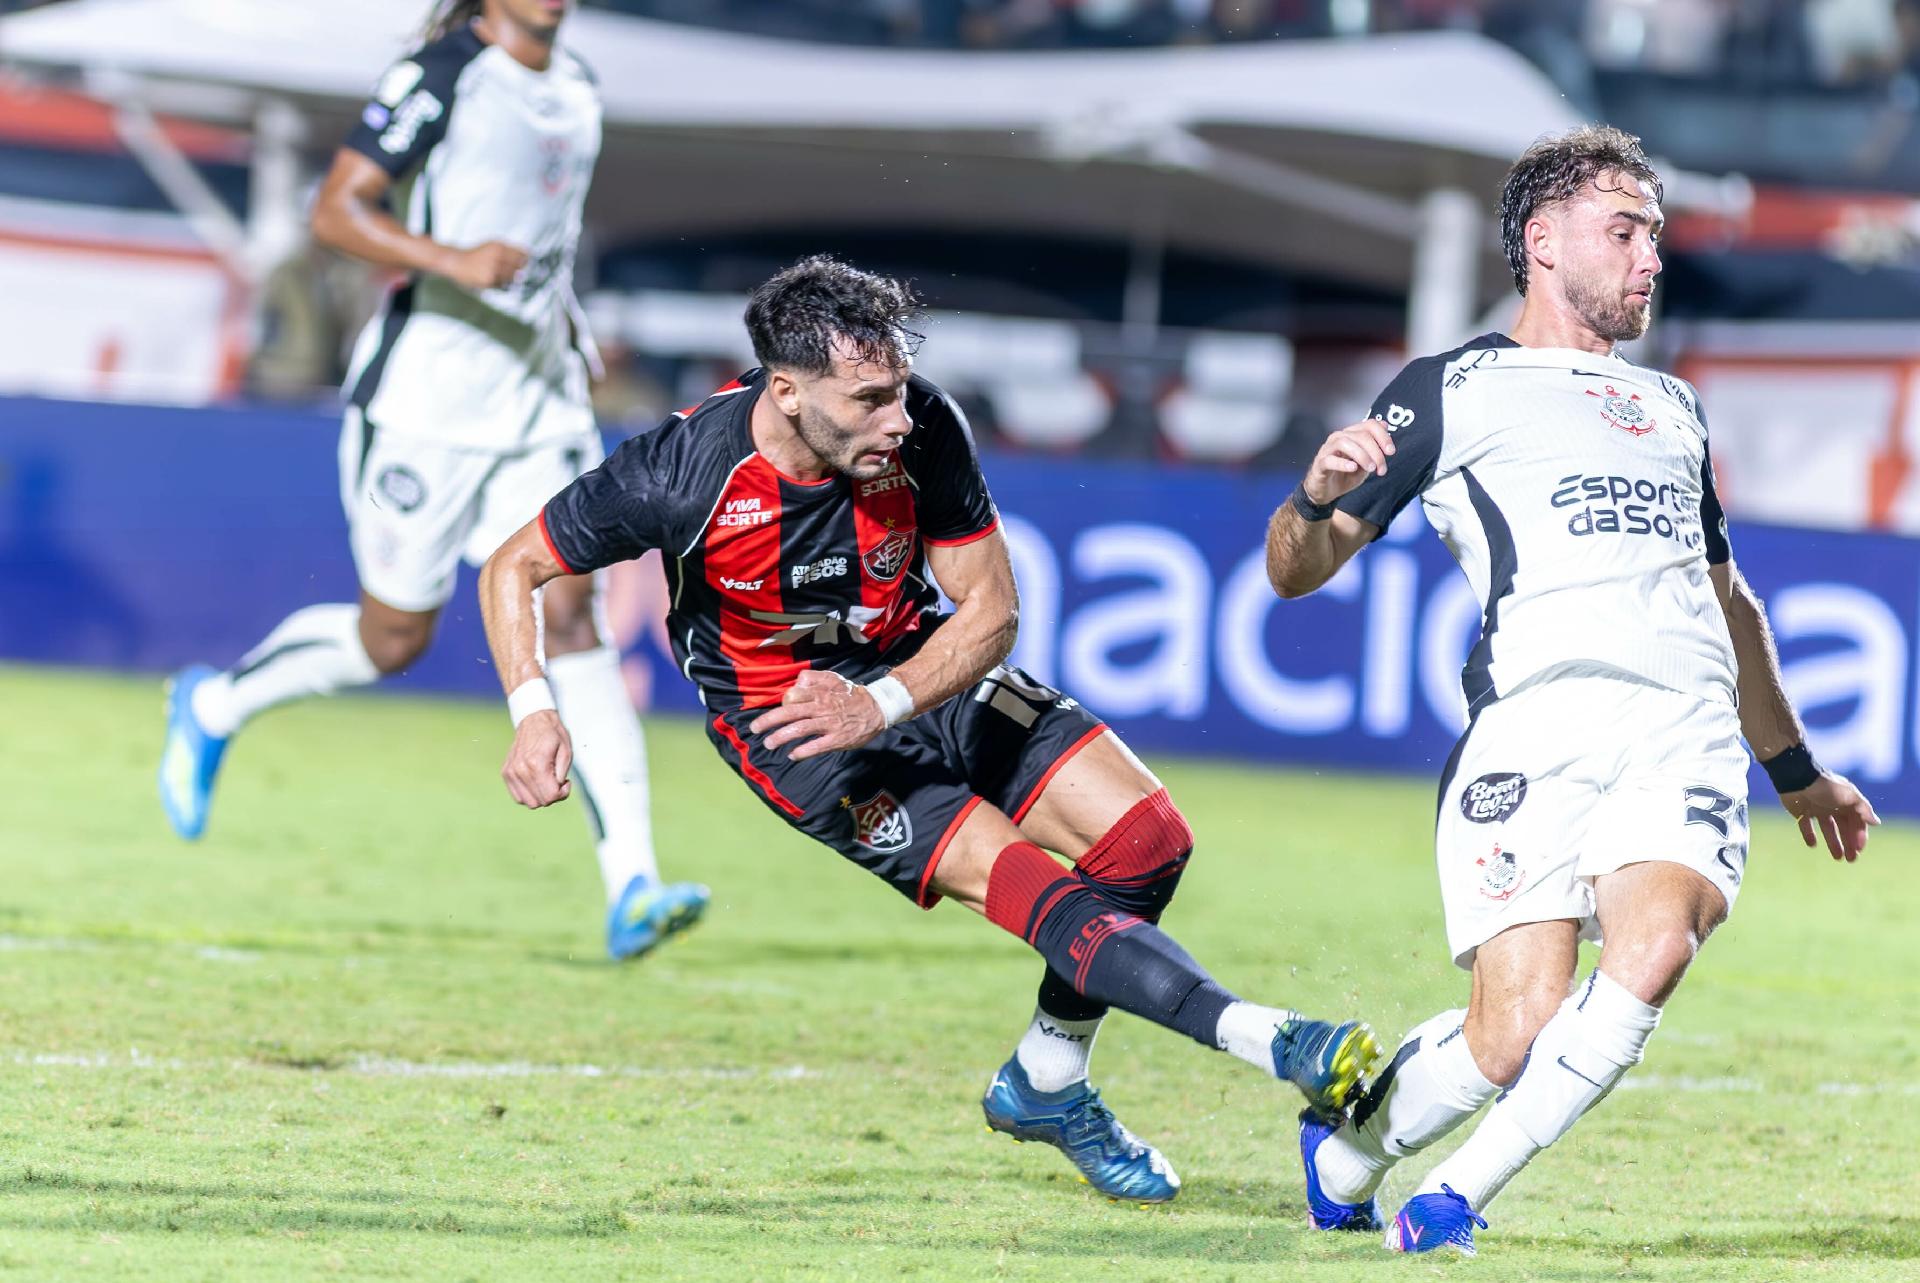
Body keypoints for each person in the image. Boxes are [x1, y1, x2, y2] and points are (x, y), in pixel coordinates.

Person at [477, 255, 1383, 1203]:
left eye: (899, 391)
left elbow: (991, 609)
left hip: (921, 674)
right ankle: (1272, 1038)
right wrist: (532, 711)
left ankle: (1046, 1078)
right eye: (868, 399)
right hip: (796, 734)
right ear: (785, 392)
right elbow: (514, 567)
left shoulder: (926, 429)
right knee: (1039, 895)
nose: (897, 419)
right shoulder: (680, 473)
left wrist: (887, 697)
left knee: (1146, 842)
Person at [1265, 125, 1879, 1254]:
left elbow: (1729, 603)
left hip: (1681, 732)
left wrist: (1795, 768)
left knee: (1654, 948)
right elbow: (1297, 573)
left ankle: (1453, 1198)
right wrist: (1309, 498)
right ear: (1543, 243)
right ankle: (1348, 1151)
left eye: (1655, 234)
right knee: (1514, 1028)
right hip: (1533, 731)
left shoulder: (1675, 409)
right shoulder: (1450, 390)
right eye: (1626, 231)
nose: (1652, 258)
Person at [156, 0, 709, 961]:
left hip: (537, 406)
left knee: (571, 613)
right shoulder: (444, 72)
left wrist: (565, 330)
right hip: (424, 407)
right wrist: (450, 259)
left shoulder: (578, 87)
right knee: (393, 637)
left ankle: (634, 884)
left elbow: (546, 244)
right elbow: (336, 209)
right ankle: (214, 704)